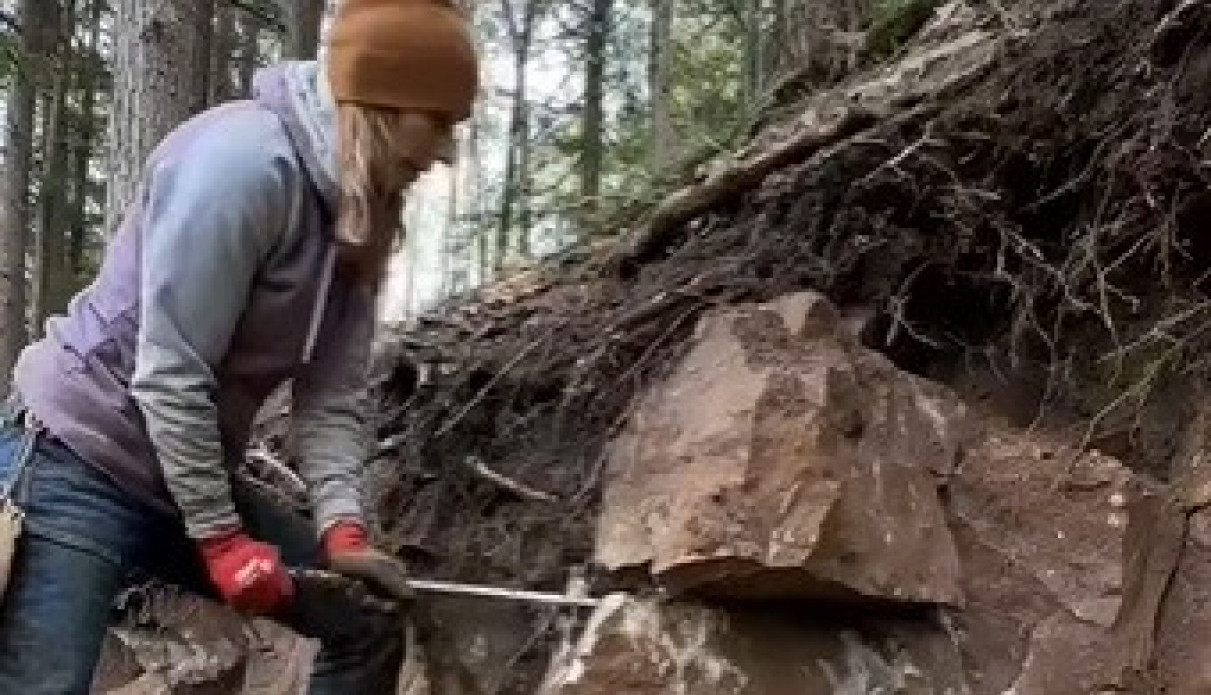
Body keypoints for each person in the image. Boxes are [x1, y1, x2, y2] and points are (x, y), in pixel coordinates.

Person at [0, 0, 479, 692]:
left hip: (175, 479)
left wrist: (343, 528)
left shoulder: (360, 210)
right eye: (435, 120)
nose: (444, 152)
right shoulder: (242, 167)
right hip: (76, 460)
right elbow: (168, 375)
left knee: (365, 621)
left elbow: (331, 397)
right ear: (378, 99)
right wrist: (222, 540)